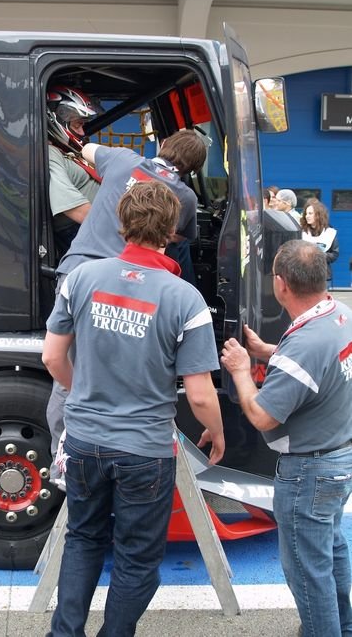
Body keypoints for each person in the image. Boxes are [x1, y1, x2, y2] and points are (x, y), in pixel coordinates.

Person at [43, 180, 224, 637]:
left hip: (83, 440)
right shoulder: (186, 299)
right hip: (144, 449)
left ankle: (64, 632)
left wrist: (80, 390)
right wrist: (217, 433)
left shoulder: (81, 278)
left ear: (123, 224)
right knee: (137, 557)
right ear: (171, 232)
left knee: (83, 538)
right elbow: (200, 394)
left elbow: (51, 357)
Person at [47, 129, 207, 480]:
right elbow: (176, 238)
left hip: (76, 275)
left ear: (163, 146)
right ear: (193, 168)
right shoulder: (183, 196)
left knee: (69, 373)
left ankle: (64, 459)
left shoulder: (121, 158)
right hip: (129, 284)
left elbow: (86, 148)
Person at [220, 239, 352, 637]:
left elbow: (262, 416)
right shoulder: (338, 313)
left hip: (309, 470)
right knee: (331, 551)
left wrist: (243, 370)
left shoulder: (304, 345)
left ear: (281, 285)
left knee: (307, 575)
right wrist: (268, 351)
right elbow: (316, 361)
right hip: (338, 458)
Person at [47, 86, 102, 258]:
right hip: (83, 232)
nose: (82, 132)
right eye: (78, 125)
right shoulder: (50, 154)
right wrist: (124, 230)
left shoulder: (65, 151)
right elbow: (73, 207)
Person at [300, 197, 339, 282]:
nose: (307, 216)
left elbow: (334, 254)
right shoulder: (301, 232)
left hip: (323, 276)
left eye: (310, 213)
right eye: (306, 214)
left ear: (318, 215)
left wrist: (318, 255)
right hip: (304, 275)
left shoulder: (330, 233)